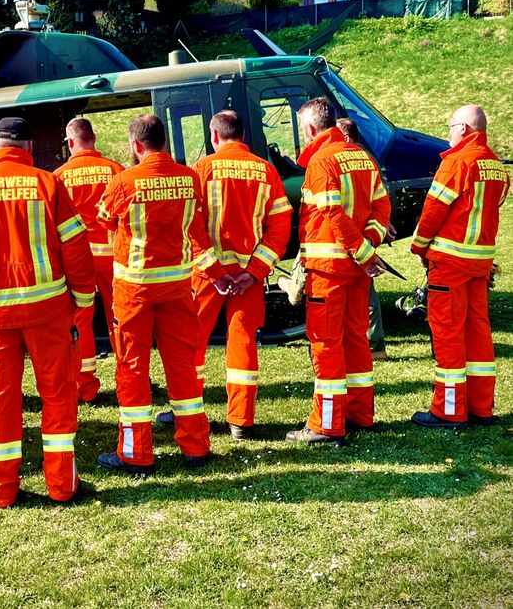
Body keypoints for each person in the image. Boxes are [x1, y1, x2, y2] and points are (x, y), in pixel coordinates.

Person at [0, 117, 95, 507]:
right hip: (47, 310)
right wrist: (81, 300)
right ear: (29, 148)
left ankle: (1, 488)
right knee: (57, 395)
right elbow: (75, 249)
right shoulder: (48, 184)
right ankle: (62, 484)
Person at [95, 114, 227, 473]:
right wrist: (216, 273)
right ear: (164, 140)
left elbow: (104, 218)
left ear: (136, 145)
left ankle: (136, 452)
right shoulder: (189, 178)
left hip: (134, 290)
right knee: (182, 365)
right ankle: (196, 445)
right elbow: (196, 231)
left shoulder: (124, 181)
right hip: (177, 287)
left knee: (132, 367)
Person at [287, 98, 391, 446]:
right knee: (356, 339)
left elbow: (332, 215)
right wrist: (368, 246)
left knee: (326, 344)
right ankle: (361, 414)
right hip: (356, 270)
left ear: (310, 128)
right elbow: (382, 205)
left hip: (329, 270)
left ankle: (327, 424)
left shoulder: (321, 161)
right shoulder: (361, 156)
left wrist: (361, 251)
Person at [183, 110, 292, 440]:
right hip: (248, 276)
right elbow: (280, 227)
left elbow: (191, 226)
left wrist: (215, 272)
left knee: (192, 342)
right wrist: (255, 270)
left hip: (207, 275)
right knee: (243, 342)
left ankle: (187, 411)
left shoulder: (201, 169)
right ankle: (241, 421)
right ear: (242, 135)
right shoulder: (266, 170)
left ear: (214, 137)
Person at [410, 104, 509, 429]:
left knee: (448, 333)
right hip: (480, 262)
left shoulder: (457, 162)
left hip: (450, 262)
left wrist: (419, 246)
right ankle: (481, 407)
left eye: (451, 126)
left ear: (464, 129)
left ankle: (448, 411)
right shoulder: (496, 165)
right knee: (478, 331)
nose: (449, 133)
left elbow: (434, 210)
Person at [53, 117, 124, 402]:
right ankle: (128, 379)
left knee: (81, 321)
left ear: (70, 142)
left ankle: (85, 387)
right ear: (93, 138)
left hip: (78, 260)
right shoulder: (116, 170)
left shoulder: (59, 177)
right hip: (113, 256)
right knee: (119, 318)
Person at [337, 118, 391, 361]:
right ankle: (375, 346)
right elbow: (379, 201)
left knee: (363, 293)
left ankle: (372, 346)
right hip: (365, 235)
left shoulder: (341, 160)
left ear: (347, 138)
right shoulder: (368, 161)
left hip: (350, 238)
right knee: (366, 292)